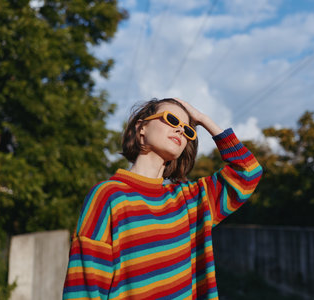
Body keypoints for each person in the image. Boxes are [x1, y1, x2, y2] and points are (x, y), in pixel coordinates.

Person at [62, 98, 263, 299]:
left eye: (188, 130)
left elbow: (248, 172)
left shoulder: (191, 200)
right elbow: (84, 289)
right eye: (172, 120)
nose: (181, 130)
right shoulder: (108, 196)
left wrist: (202, 119)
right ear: (142, 127)